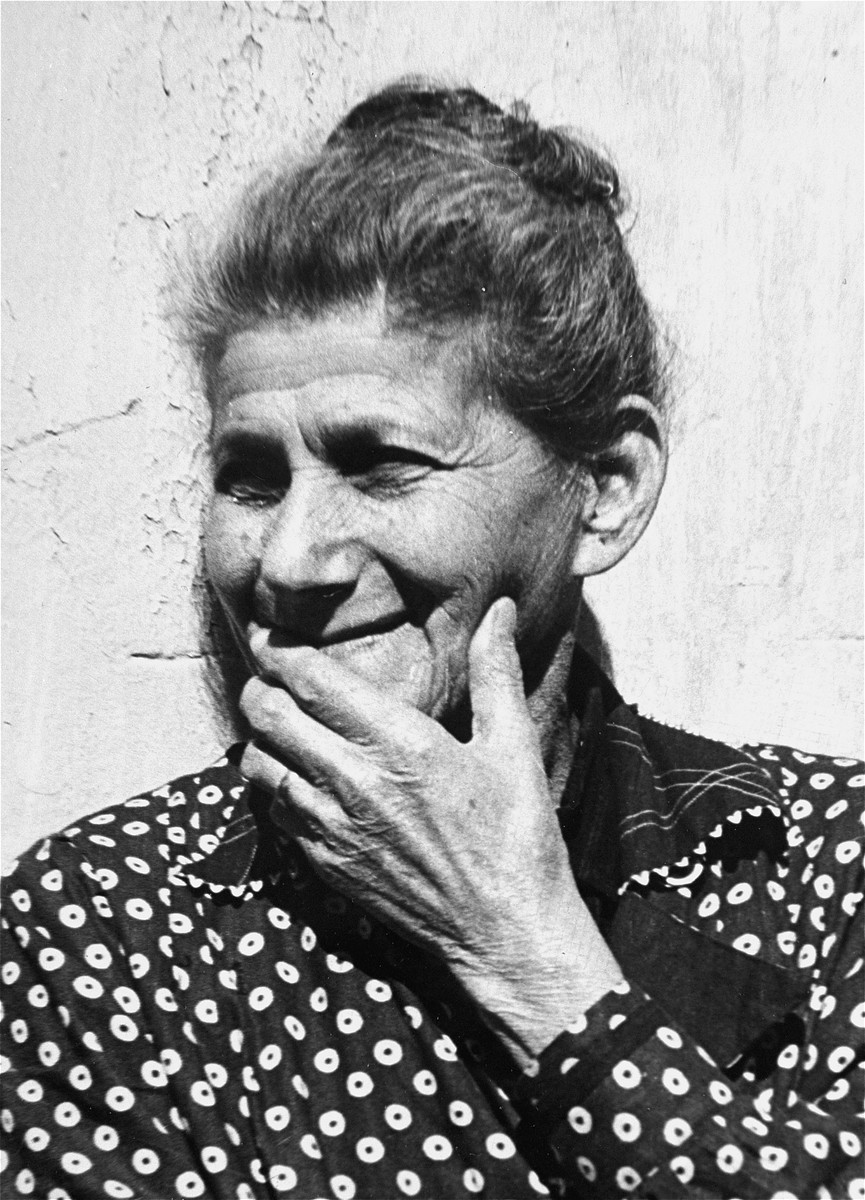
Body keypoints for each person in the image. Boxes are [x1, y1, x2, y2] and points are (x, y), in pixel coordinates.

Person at [1, 81, 862, 1200]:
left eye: (381, 464)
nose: (292, 560)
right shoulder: (108, 931)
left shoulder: (826, 875)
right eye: (250, 477)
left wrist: (524, 951)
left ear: (602, 490)